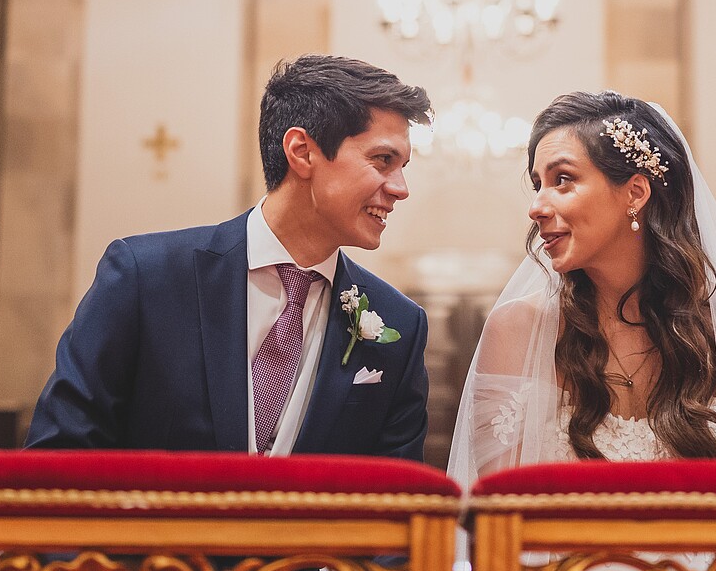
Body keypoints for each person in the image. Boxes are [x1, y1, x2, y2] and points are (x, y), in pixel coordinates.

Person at [27, 55, 434, 460]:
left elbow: (396, 502)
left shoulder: (400, 325)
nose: (401, 189)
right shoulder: (145, 279)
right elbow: (58, 457)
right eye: (383, 161)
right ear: (302, 151)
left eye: (403, 167)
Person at [449, 91, 716, 480]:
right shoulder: (518, 331)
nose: (536, 207)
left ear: (636, 193)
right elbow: (498, 518)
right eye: (538, 184)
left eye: (563, 180)